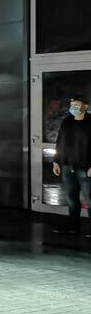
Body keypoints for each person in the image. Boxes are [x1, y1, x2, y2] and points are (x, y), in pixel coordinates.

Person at [52, 95, 91, 237]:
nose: (73, 107)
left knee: (89, 197)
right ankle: (73, 226)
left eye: (77, 104)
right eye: (72, 104)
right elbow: (60, 141)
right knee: (71, 198)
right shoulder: (67, 121)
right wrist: (56, 161)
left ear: (85, 106)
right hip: (67, 166)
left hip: (85, 167)